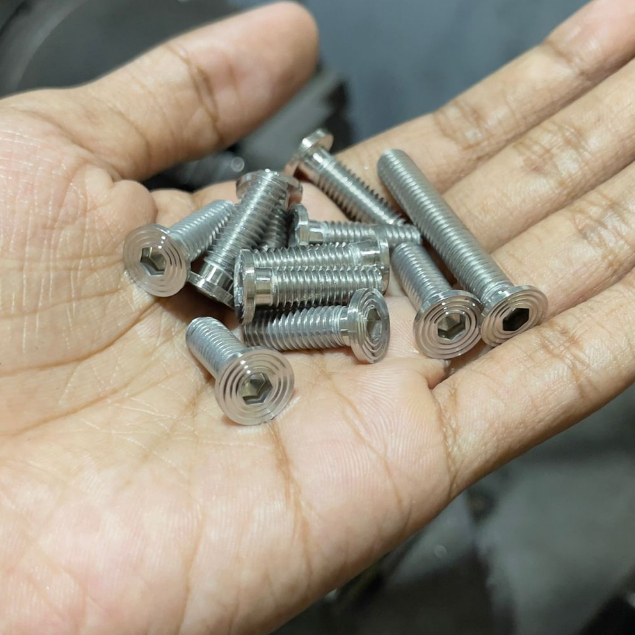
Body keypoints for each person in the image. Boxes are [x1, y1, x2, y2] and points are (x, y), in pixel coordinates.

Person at [0, 0, 633, 631]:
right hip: (275, 290)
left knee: (394, 248)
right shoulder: (238, 274)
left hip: (318, 279)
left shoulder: (349, 259)